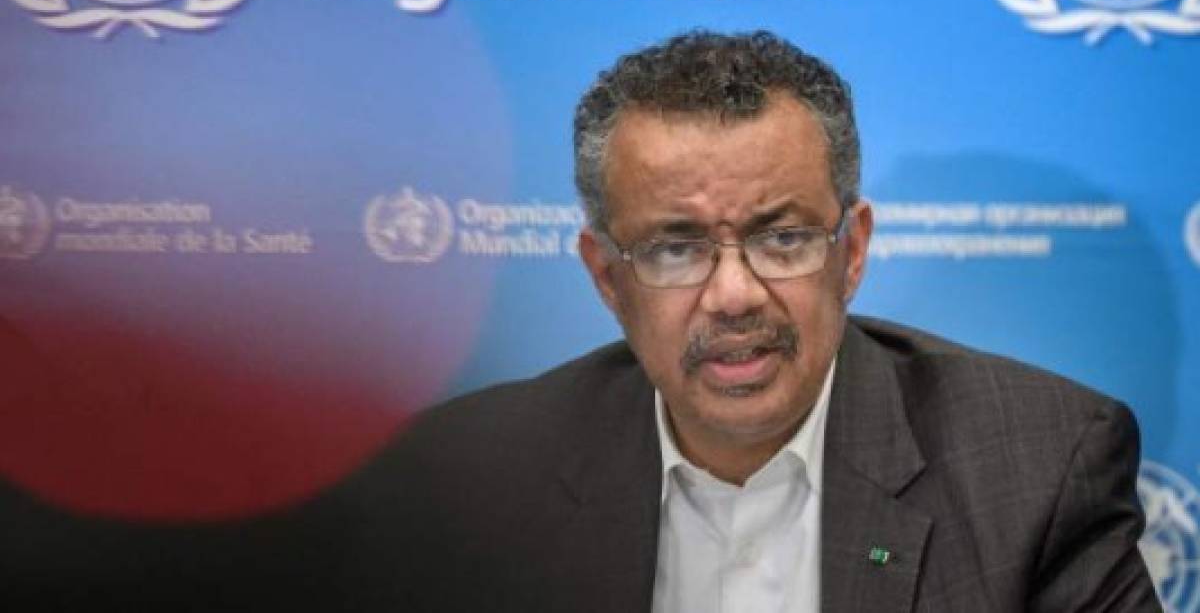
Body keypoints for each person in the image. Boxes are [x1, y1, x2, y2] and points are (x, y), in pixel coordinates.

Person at [368, 30, 1159, 612]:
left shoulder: (1038, 470)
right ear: (608, 277)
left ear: (851, 252)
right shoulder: (470, 482)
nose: (735, 295)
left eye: (782, 238)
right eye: (676, 248)